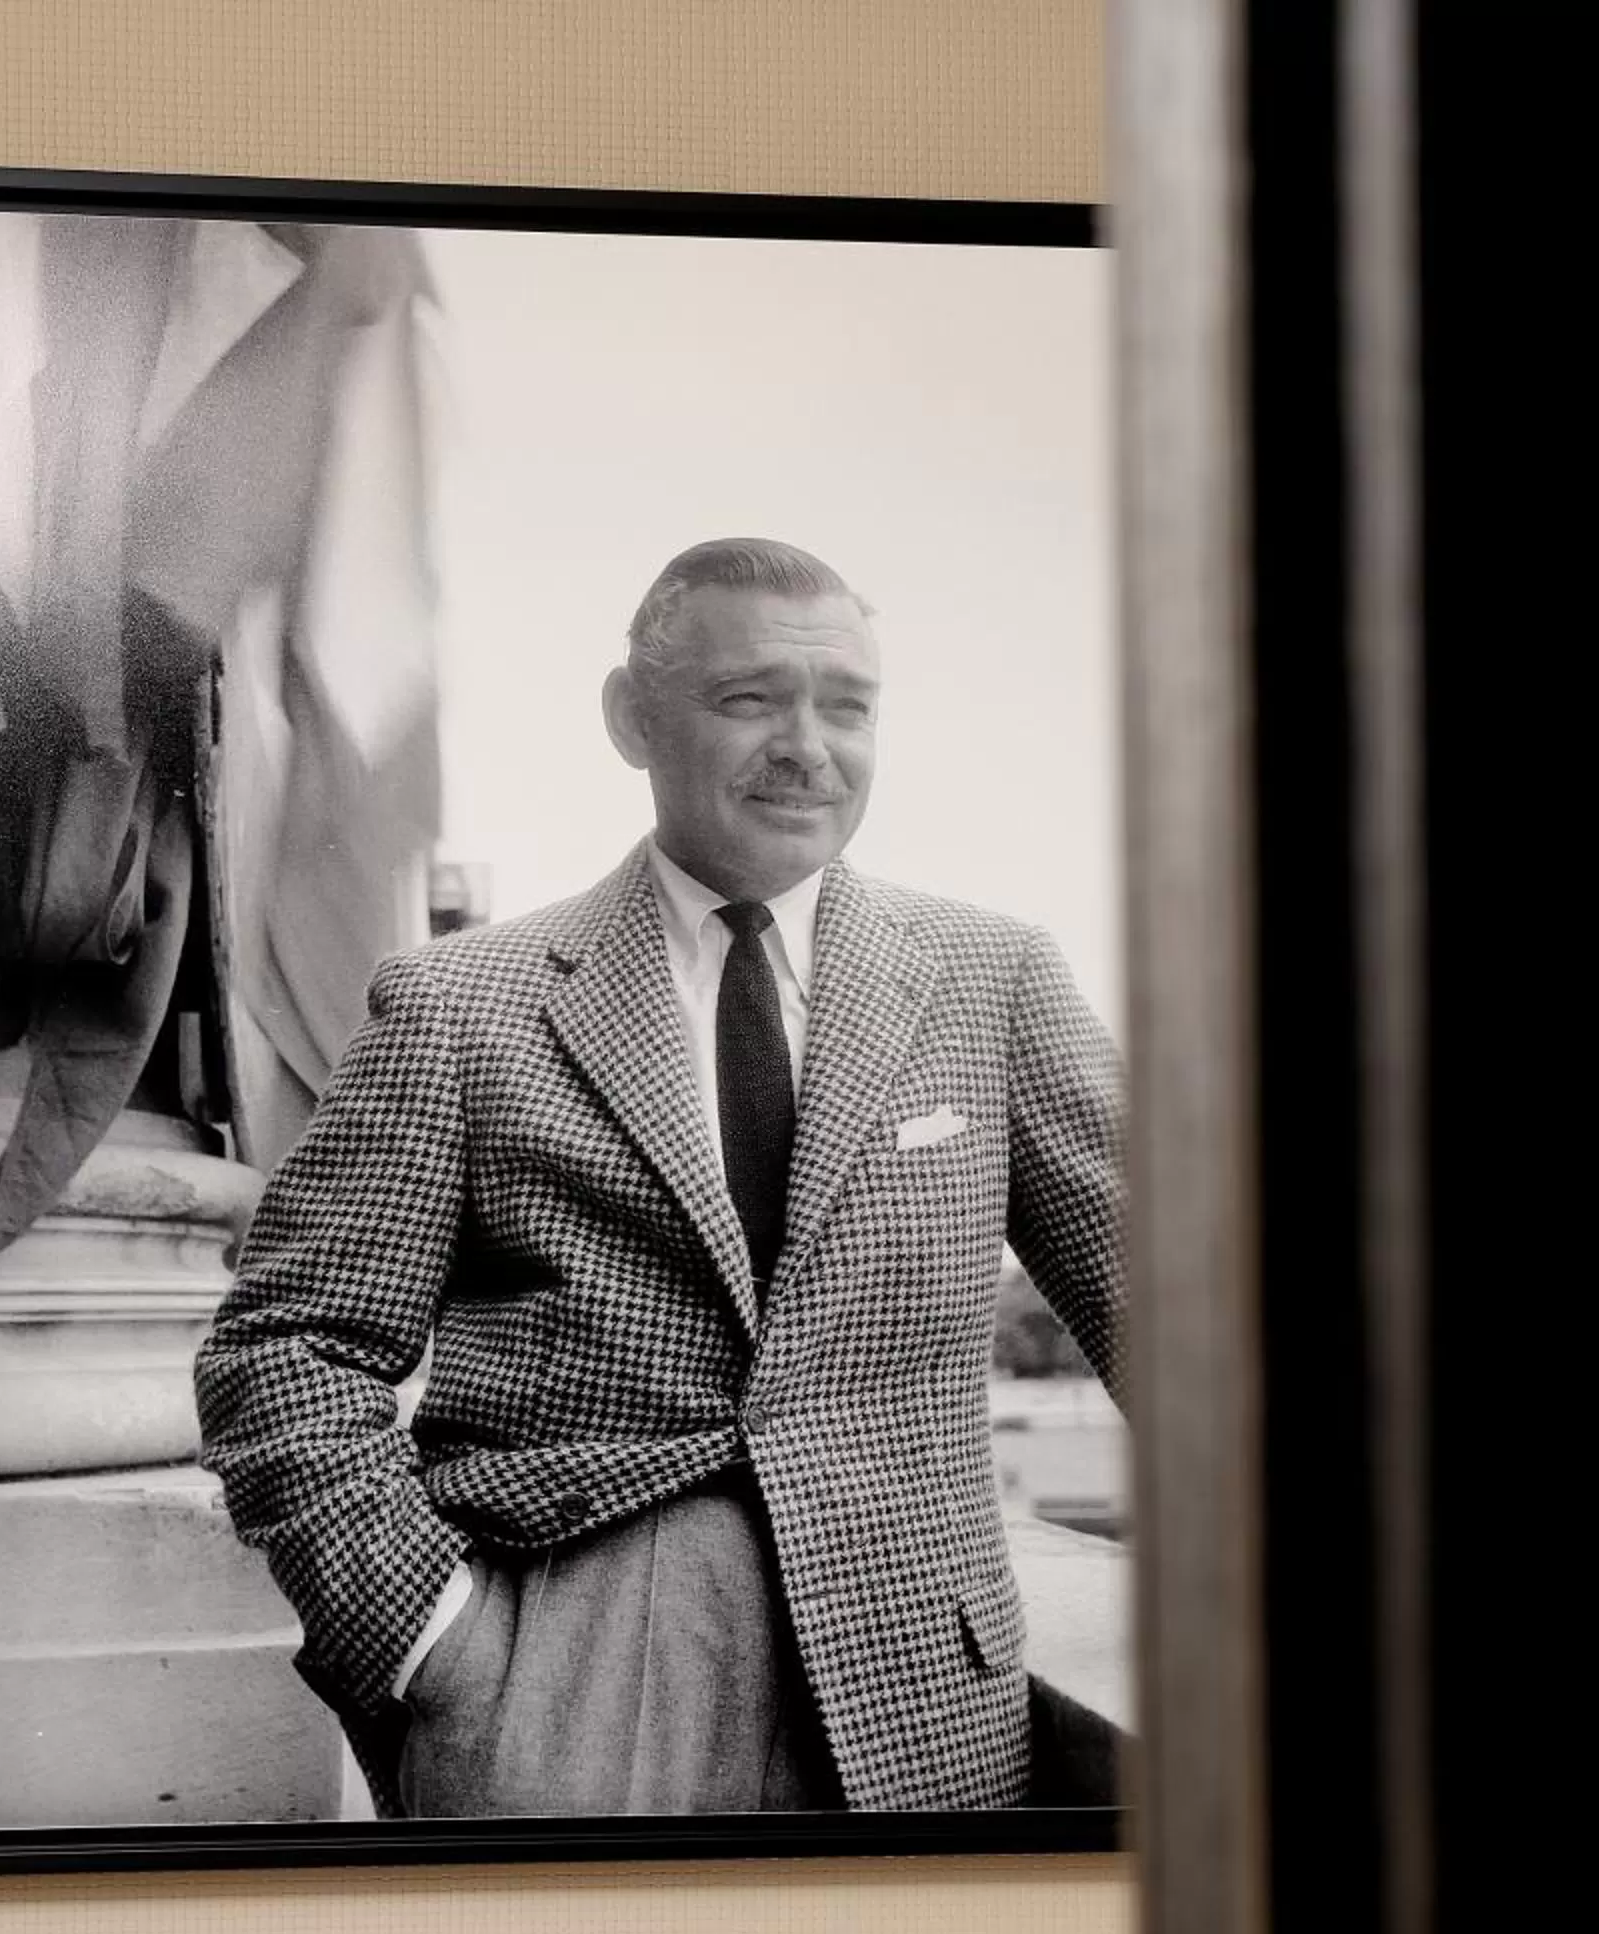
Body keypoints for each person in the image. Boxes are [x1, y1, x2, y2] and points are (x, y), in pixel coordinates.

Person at [194, 537, 1127, 1816]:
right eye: (751, 699)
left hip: (917, 1685)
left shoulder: (993, 979)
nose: (809, 745)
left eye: (847, 706)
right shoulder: (464, 1005)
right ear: (634, 718)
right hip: (566, 1664)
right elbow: (288, 1344)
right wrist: (429, 1641)